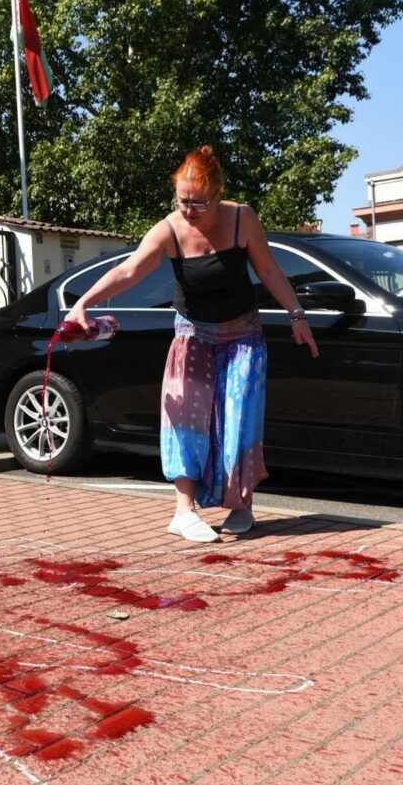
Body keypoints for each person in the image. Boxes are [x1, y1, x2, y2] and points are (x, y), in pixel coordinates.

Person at [63, 145, 319, 543]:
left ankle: (241, 505)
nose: (187, 209)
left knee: (237, 424)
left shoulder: (242, 219)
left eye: (197, 202)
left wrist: (297, 315)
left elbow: (269, 270)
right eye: (181, 200)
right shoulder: (169, 229)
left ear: (218, 195)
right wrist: (83, 303)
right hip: (193, 335)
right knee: (186, 421)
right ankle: (184, 511)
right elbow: (129, 270)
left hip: (243, 336)